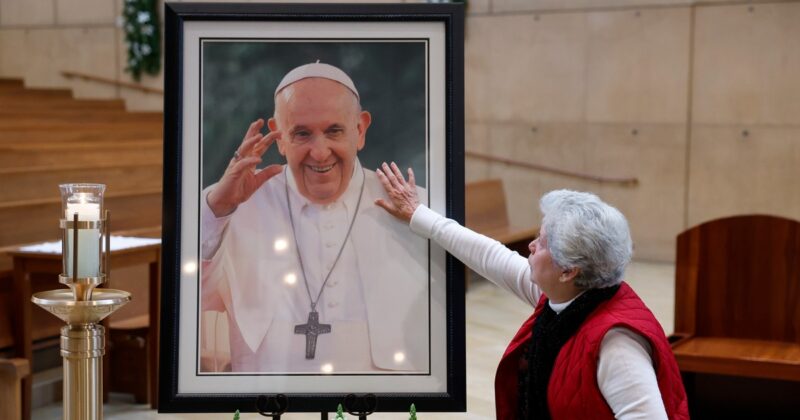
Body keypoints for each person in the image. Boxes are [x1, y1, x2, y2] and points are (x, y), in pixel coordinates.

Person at [374, 163, 689, 419]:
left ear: (568, 270)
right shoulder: (568, 294)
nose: (531, 246)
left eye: (542, 243)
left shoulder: (617, 343)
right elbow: (489, 255)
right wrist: (418, 213)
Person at [200, 62, 429, 373]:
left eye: (334, 131)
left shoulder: (412, 206)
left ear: (360, 130)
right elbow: (195, 297)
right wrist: (217, 211)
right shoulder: (232, 204)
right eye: (302, 134)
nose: (320, 152)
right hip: (268, 388)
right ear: (279, 137)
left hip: (381, 392)